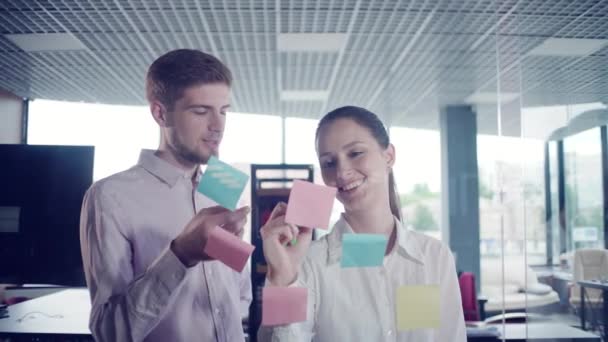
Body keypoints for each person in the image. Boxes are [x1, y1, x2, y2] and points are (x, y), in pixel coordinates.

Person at [80, 49, 251, 342]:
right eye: (200, 111)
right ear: (160, 113)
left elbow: (239, 297)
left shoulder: (225, 184)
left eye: (223, 111)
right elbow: (109, 332)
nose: (217, 126)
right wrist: (180, 255)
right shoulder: (111, 197)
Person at [259, 106, 466, 341]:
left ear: (388, 156)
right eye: (329, 162)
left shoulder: (433, 257)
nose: (342, 171)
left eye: (355, 153)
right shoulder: (308, 263)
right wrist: (282, 279)